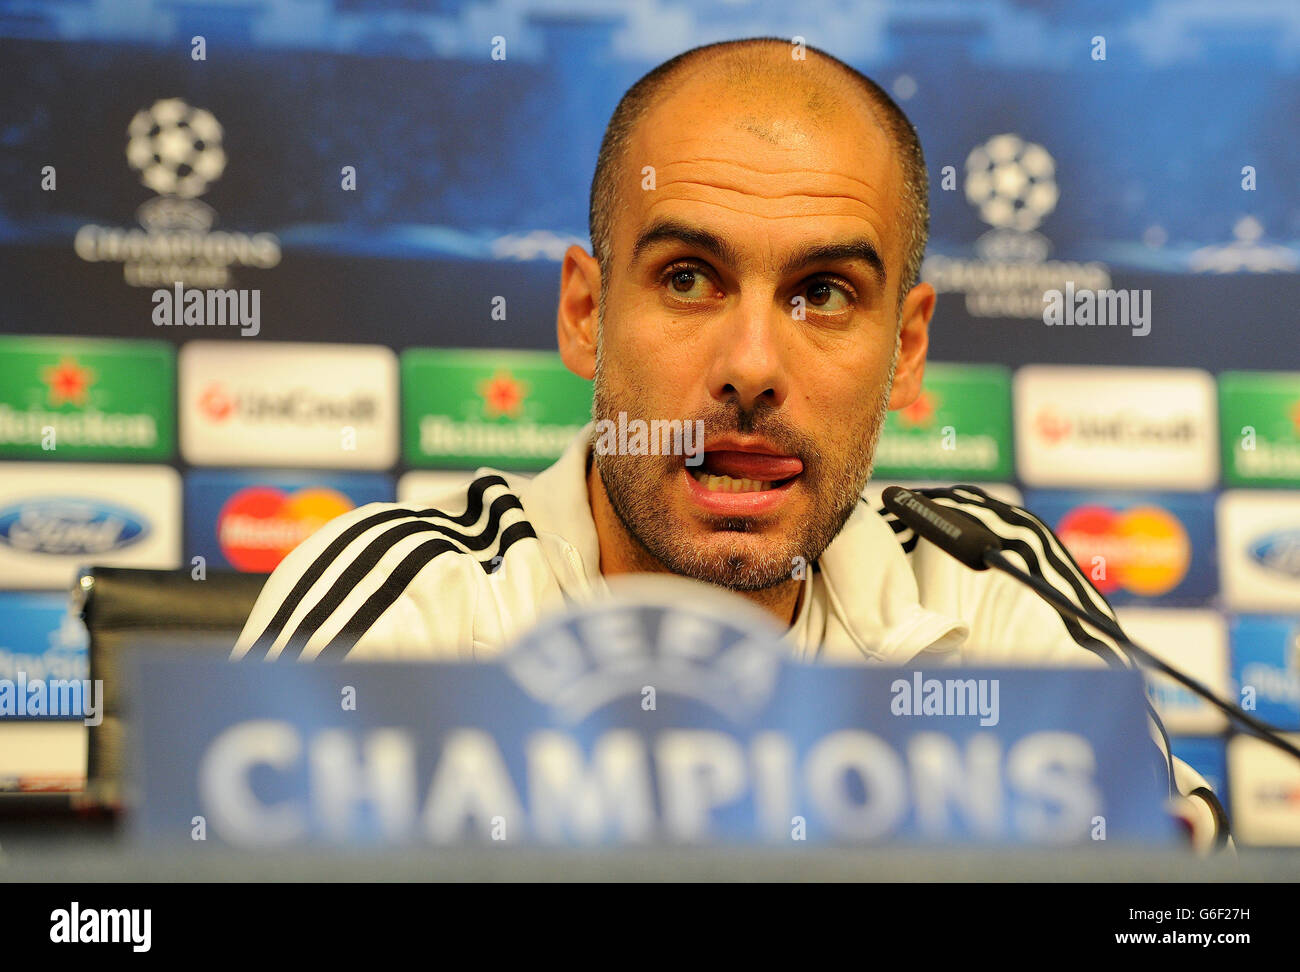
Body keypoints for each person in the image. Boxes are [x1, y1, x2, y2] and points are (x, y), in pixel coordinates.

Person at [232, 37, 1229, 850]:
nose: (752, 365)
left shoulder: (995, 595)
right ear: (585, 313)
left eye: (825, 293)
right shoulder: (411, 606)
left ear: (905, 350)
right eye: (687, 279)